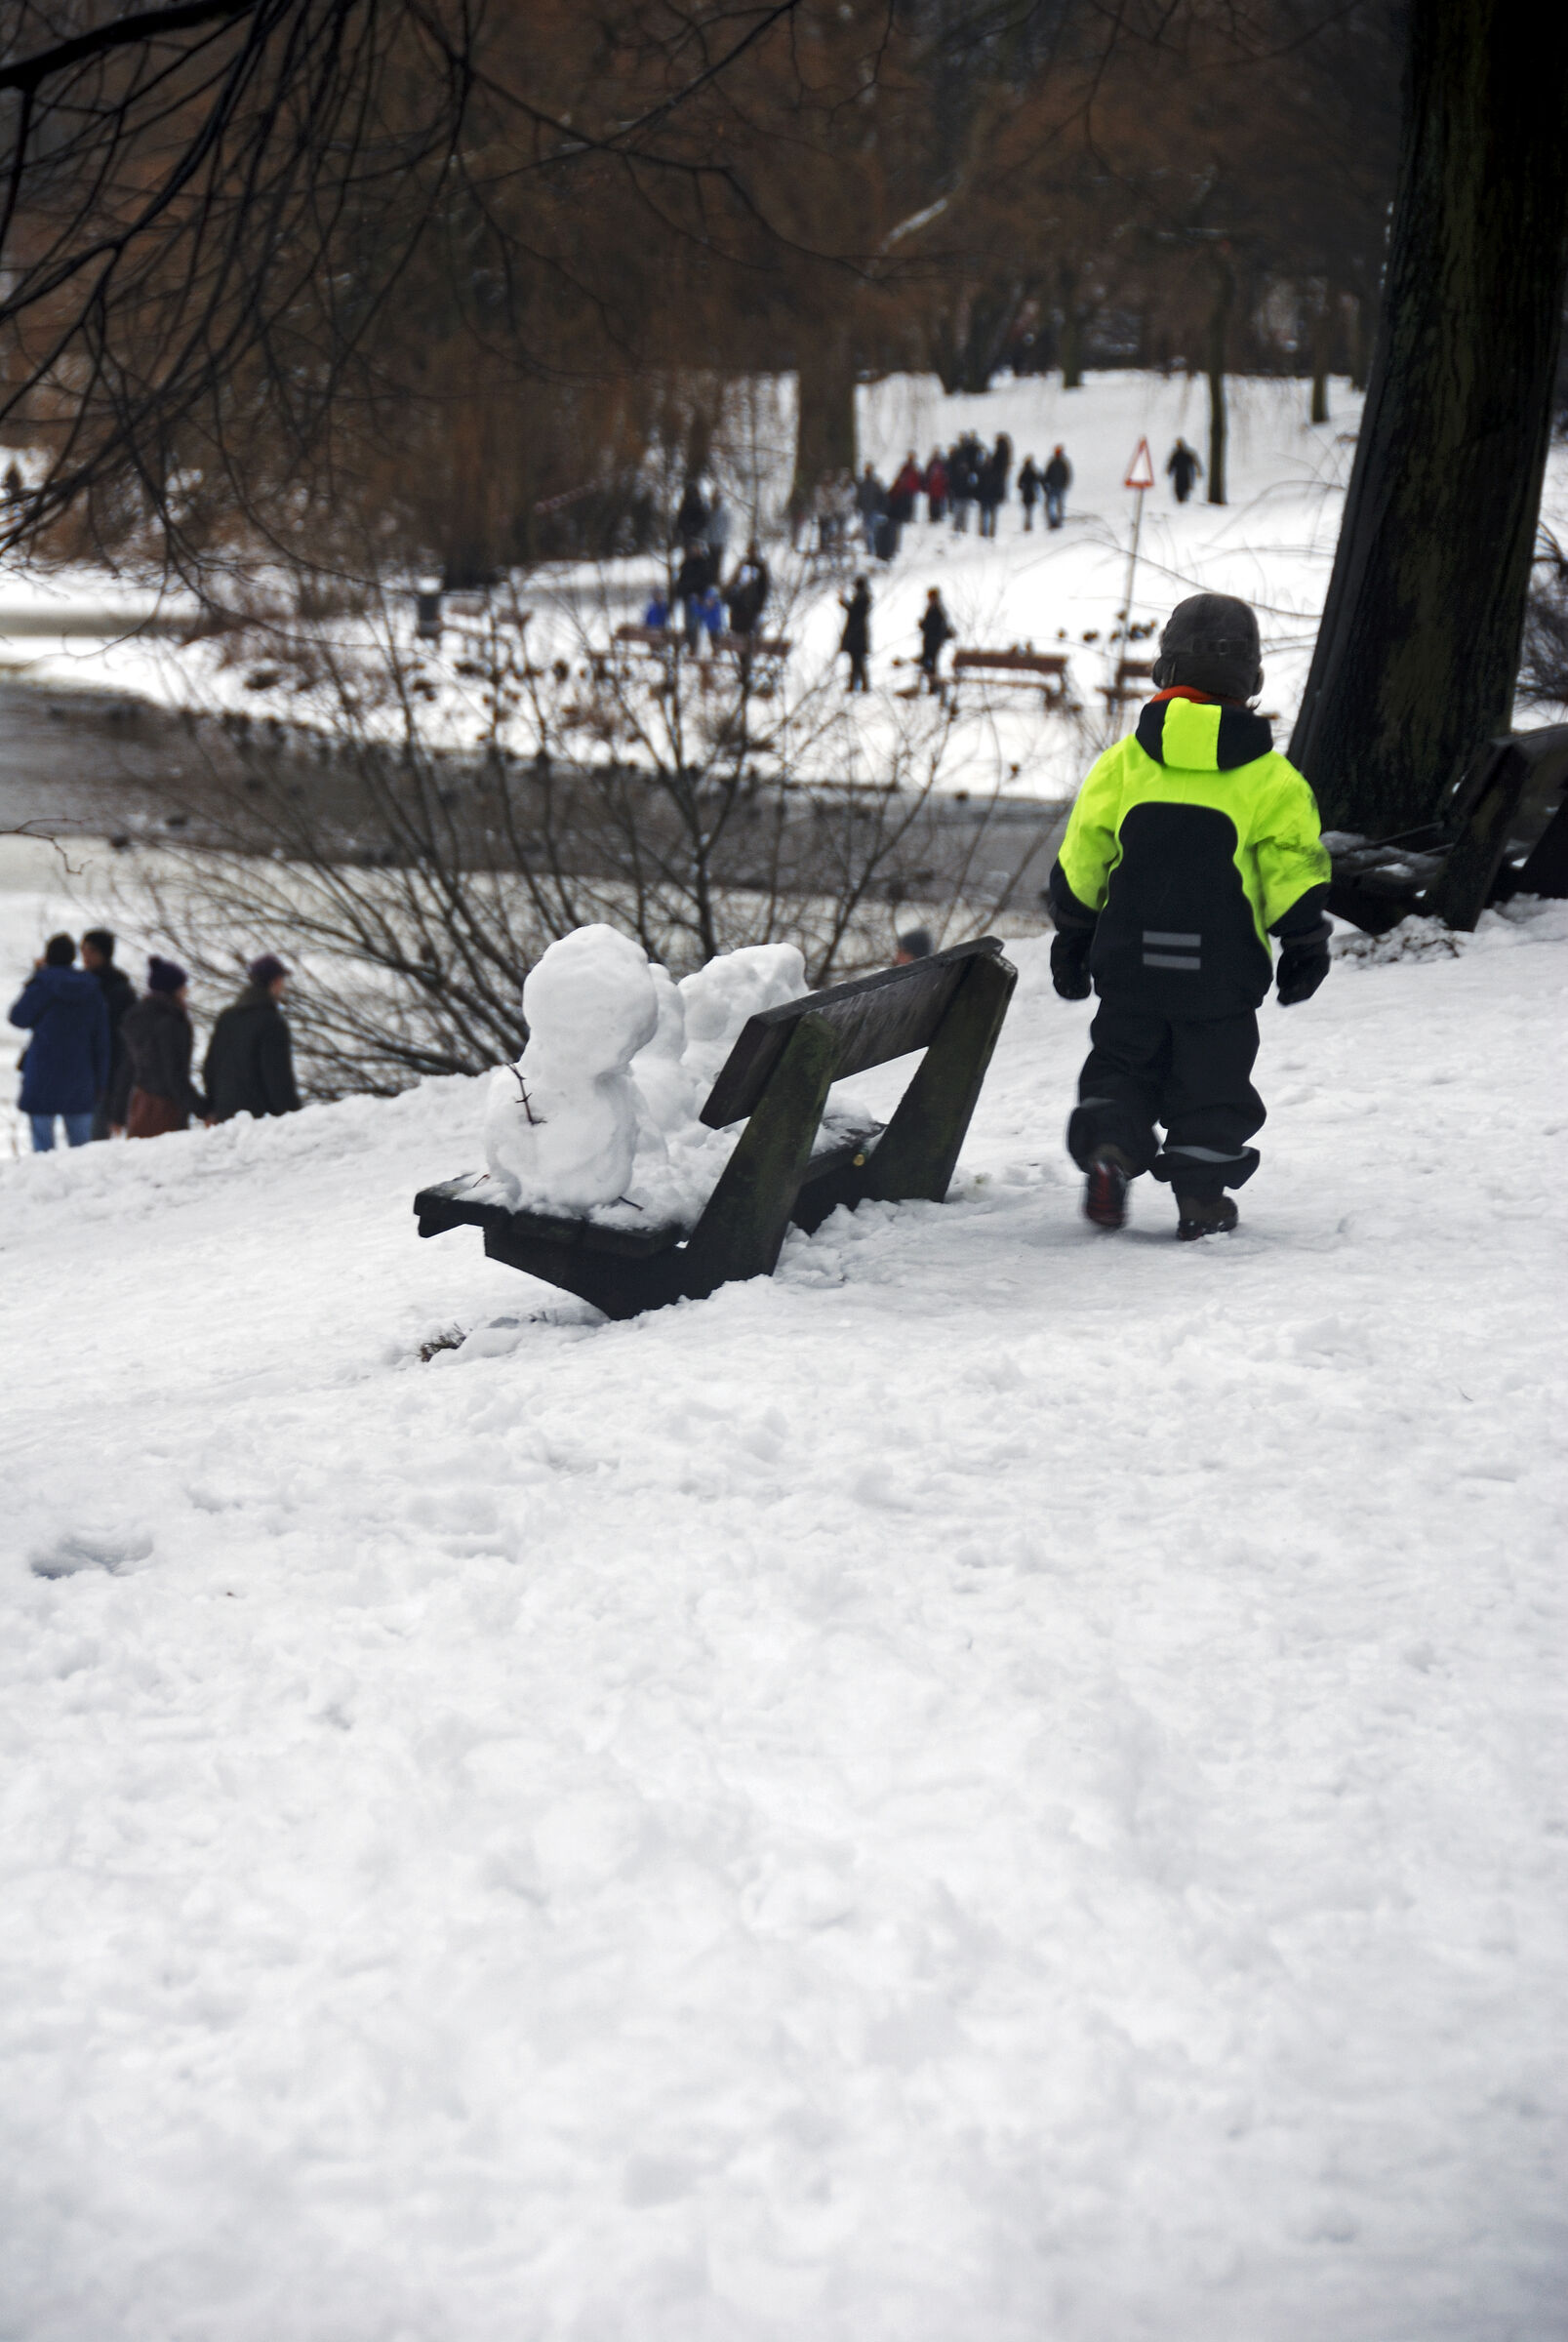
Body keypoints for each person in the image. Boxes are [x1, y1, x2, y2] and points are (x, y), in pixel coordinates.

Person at [1046, 591, 1331, 1240]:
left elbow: (1083, 856)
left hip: (1129, 967)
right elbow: (1293, 869)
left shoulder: (1121, 764)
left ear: (1162, 674)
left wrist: (1072, 938)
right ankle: (1200, 1198)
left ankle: (1110, 1150)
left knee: (1120, 1067)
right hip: (1220, 977)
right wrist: (1303, 944)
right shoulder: (1271, 779)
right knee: (1212, 1087)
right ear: (1252, 682)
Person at [9, 933, 108, 1151]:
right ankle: (84, 1184)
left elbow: (18, 1018)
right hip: (80, 1075)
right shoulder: (91, 988)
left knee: (42, 1149)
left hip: (42, 1073)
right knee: (82, 1148)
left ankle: (44, 1184)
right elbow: (101, 1040)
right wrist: (101, 1081)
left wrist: (36, 975)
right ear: (73, 957)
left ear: (48, 956)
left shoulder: (42, 984)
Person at [204, 953, 302, 1121]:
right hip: (258, 1121)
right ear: (276, 981)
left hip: (225, 1117)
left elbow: (210, 1067)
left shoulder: (227, 1017)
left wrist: (213, 1107)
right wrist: (294, 1115)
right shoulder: (272, 1022)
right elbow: (277, 1077)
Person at [120, 956, 207, 1138]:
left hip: (140, 1102)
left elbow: (128, 1067)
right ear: (173, 989)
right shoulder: (171, 1022)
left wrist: (116, 1111)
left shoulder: (137, 1017)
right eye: (183, 986)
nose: (187, 991)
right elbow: (175, 1074)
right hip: (167, 1107)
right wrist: (202, 1109)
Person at [79, 927, 137, 1139]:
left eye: (91, 950)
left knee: (95, 1136)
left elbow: (127, 1037)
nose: (85, 955)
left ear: (104, 953)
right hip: (83, 1068)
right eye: (82, 949)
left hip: (109, 1069)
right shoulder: (79, 985)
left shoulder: (119, 989)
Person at [673, 541, 714, 651]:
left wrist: (699, 593)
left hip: (699, 599)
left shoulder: (704, 564)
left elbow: (705, 582)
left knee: (696, 624)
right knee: (688, 624)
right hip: (688, 598)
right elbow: (681, 581)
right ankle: (690, 646)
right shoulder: (686, 563)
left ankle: (695, 648)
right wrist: (681, 591)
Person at [725, 545, 770, 637]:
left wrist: (760, 603)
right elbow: (733, 583)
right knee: (737, 631)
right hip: (739, 606)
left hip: (752, 606)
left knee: (750, 632)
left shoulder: (760, 566)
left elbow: (764, 587)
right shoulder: (742, 564)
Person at [916, 587, 954, 694]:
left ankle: (934, 687)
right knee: (927, 664)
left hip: (934, 642)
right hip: (928, 641)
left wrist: (923, 625)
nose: (930, 600)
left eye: (932, 598)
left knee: (932, 665)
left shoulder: (939, 610)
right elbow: (928, 625)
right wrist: (922, 625)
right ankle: (932, 685)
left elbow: (937, 627)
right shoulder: (930, 609)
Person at [839, 576, 871, 693]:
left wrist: (844, 602)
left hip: (857, 635)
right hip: (859, 634)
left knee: (856, 661)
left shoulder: (861, 599)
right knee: (858, 661)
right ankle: (862, 685)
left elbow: (854, 612)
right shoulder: (864, 598)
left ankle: (855, 685)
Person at [856, 464, 886, 551]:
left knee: (873, 531)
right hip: (865, 511)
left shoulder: (876, 484)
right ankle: (869, 548)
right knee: (867, 531)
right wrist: (858, 506)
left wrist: (880, 508)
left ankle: (874, 548)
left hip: (874, 510)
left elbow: (882, 497)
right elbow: (859, 497)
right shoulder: (862, 484)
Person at [1043, 445, 1071, 529]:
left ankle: (1056, 522)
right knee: (1053, 505)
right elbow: (1048, 474)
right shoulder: (1059, 463)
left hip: (1057, 487)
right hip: (1054, 487)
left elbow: (1067, 475)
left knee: (1056, 505)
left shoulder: (1059, 463)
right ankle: (1054, 521)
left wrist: (1065, 485)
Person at [1167, 438, 1202, 504]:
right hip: (1182, 474)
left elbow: (1171, 463)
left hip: (1184, 474)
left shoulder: (1181, 453)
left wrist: (1169, 470)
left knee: (1183, 488)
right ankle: (1181, 500)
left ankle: (1182, 500)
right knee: (1181, 488)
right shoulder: (1179, 453)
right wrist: (1169, 470)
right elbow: (1171, 463)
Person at [1018, 455, 1042, 530]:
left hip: (1025, 493)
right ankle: (1029, 525)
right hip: (1032, 493)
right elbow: (1037, 482)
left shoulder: (1023, 472)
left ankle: (1026, 525)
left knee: (1026, 510)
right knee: (1030, 510)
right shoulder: (1033, 471)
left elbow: (1019, 484)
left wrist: (1022, 488)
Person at [924, 450, 948, 525]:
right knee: (932, 502)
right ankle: (932, 516)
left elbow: (946, 476)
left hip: (939, 487)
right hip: (932, 487)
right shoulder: (931, 464)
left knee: (938, 502)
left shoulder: (942, 464)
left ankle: (937, 516)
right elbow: (927, 475)